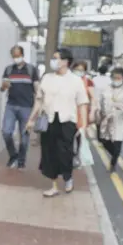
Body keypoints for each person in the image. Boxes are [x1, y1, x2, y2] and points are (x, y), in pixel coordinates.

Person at [26, 48, 89, 197]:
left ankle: (68, 177)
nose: (53, 61)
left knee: (65, 152)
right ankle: (53, 185)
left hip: (67, 121)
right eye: (53, 58)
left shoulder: (75, 80)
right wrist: (31, 119)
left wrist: (84, 125)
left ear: (66, 61)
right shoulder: (47, 78)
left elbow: (82, 103)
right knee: (49, 152)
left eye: (57, 58)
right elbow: (39, 100)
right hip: (49, 121)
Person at [1, 45, 39, 169]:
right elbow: (2, 89)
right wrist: (4, 86)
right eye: (14, 56)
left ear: (22, 55)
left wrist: (38, 108)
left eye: (18, 55)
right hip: (11, 106)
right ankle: (13, 155)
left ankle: (21, 160)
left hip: (26, 107)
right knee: (6, 132)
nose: (16, 58)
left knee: (24, 137)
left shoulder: (31, 70)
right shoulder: (8, 70)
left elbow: (37, 89)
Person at [99, 68, 123, 173]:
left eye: (119, 78)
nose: (116, 79)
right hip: (108, 118)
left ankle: (113, 163)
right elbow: (101, 102)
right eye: (114, 77)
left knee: (118, 142)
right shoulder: (106, 89)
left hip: (121, 119)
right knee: (104, 141)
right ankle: (115, 154)